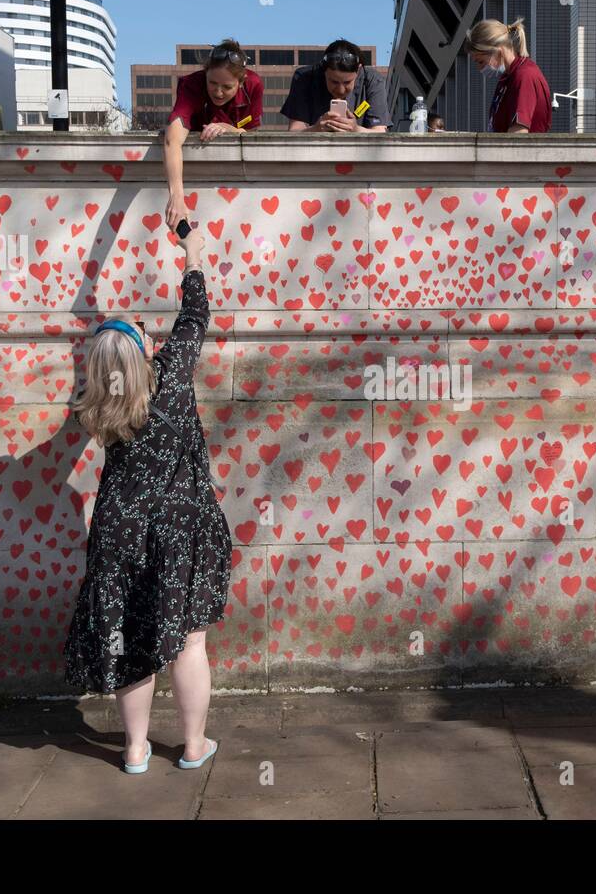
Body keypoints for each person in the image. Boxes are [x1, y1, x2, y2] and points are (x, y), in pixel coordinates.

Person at [63, 227, 233, 773]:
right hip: (179, 526)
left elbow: (107, 371)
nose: (146, 327)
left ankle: (134, 750)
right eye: (140, 329)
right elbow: (195, 313)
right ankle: (192, 745)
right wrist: (192, 251)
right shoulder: (173, 379)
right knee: (187, 642)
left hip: (118, 531)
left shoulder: (93, 405)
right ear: (143, 353)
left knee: (129, 636)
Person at [164, 40, 263, 228]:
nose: (218, 92)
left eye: (227, 87)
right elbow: (172, 141)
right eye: (212, 83)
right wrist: (177, 197)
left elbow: (252, 136)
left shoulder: (254, 85)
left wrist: (227, 127)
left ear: (241, 83)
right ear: (205, 75)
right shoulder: (190, 85)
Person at [281, 39, 390, 133]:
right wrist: (316, 129)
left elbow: (380, 132)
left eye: (347, 82)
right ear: (323, 72)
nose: (340, 90)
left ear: (359, 70)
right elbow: (294, 131)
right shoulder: (304, 78)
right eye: (334, 82)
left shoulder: (373, 80)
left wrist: (355, 129)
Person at [465, 17, 551, 134]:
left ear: (498, 51)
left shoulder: (524, 76)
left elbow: (519, 133)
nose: (480, 68)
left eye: (481, 61)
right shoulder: (508, 78)